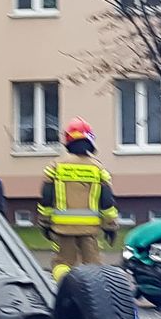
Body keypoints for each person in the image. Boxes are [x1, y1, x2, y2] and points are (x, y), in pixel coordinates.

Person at [37, 118, 119, 282]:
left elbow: (46, 198)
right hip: (89, 230)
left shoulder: (55, 167)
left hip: (62, 228)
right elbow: (107, 201)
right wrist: (110, 226)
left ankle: (65, 290)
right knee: (93, 266)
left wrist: (45, 223)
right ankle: (92, 297)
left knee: (62, 264)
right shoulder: (98, 169)